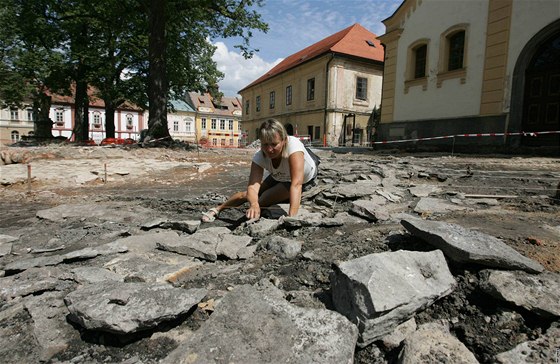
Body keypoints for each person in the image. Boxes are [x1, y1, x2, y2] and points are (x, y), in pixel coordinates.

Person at [201, 118, 319, 222]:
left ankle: (247, 216)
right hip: (278, 175)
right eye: (265, 144)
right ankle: (217, 209)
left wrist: (291, 218)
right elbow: (252, 187)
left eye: (274, 144)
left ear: (284, 140)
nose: (269, 149)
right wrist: (253, 203)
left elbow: (296, 184)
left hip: (297, 180)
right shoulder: (259, 156)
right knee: (249, 196)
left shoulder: (294, 147)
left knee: (263, 200)